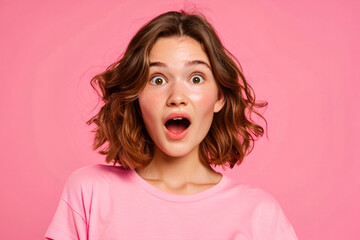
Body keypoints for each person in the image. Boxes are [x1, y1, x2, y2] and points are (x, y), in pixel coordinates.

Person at [45, 10, 298, 240]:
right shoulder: (90, 193)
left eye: (196, 78)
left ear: (219, 97)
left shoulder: (260, 216)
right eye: (157, 79)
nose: (177, 96)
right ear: (137, 97)